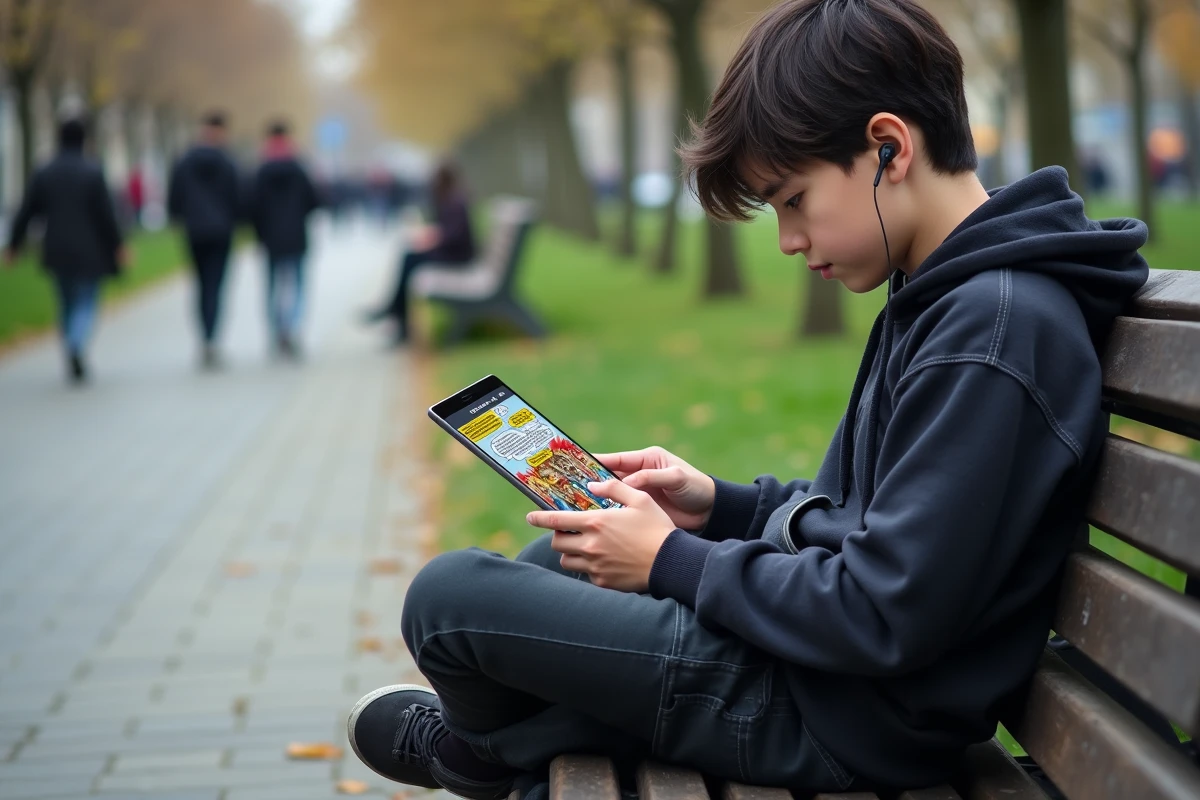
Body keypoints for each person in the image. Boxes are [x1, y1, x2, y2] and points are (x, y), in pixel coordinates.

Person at [345, 1, 1150, 797]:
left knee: (448, 602)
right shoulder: (950, 296)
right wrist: (718, 509)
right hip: (819, 676)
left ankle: (481, 755)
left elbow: (882, 612)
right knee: (569, 547)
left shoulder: (990, 329)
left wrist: (672, 560)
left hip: (836, 716)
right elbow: (870, 521)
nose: (790, 241)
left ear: (889, 147)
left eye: (793, 200)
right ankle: (508, 747)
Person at [5, 119, 126, 385]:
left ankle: (71, 344)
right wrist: (118, 244)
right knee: (87, 300)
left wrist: (14, 245)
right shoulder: (93, 171)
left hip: (56, 247)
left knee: (66, 302)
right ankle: (76, 343)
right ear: (84, 139)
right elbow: (106, 214)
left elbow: (27, 211)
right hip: (90, 249)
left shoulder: (45, 172)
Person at [362, 162, 476, 344]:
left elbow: (452, 236)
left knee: (412, 259)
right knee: (410, 257)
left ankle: (396, 314)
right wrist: (428, 236)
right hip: (453, 255)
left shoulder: (456, 202)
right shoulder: (451, 199)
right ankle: (397, 315)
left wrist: (429, 239)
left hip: (458, 259)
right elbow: (447, 231)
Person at [168, 111, 241, 369]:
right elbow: (238, 195)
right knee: (215, 286)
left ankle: (204, 337)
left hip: (194, 230)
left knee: (200, 285)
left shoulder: (185, 160)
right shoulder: (228, 162)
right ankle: (211, 338)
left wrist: (178, 218)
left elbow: (174, 195)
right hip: (221, 231)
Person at [246, 120, 320, 359]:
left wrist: (259, 233)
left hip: (270, 237)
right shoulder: (299, 168)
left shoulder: (261, 170)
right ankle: (293, 328)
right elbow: (314, 201)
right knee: (297, 286)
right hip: (296, 235)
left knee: (272, 287)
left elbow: (252, 206)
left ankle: (277, 331)